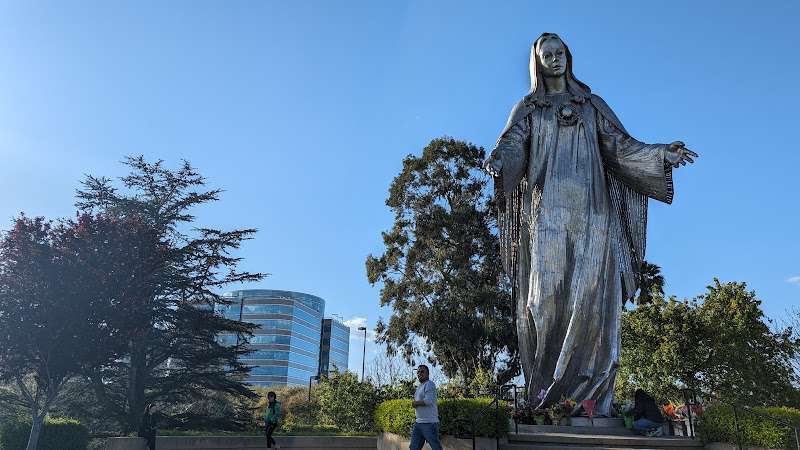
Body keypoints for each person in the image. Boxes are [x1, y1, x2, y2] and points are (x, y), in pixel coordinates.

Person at [484, 33, 698, 416]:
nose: (554, 59)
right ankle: (546, 400)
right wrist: (500, 158)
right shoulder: (529, 108)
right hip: (545, 213)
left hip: (592, 213)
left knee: (593, 300)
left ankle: (591, 400)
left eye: (559, 52)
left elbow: (620, 146)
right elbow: (512, 143)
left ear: (569, 56)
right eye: (546, 54)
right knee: (542, 301)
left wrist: (661, 153)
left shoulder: (591, 105)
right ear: (536, 63)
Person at [410, 364, 443, 450]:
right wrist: (416, 404)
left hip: (429, 423)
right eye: (418, 372)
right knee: (413, 447)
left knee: (436, 447)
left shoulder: (430, 384)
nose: (419, 373)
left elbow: (429, 401)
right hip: (418, 423)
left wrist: (415, 403)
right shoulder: (419, 387)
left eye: (422, 371)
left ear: (427, 374)